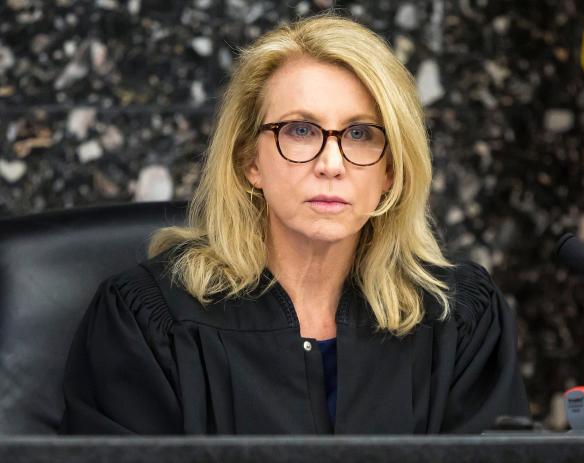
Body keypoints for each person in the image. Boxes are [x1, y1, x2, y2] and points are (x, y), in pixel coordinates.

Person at [60, 12, 529, 435]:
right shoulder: (148, 319)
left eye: (361, 134)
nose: (331, 162)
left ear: (391, 170)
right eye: (300, 131)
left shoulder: (458, 319)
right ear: (250, 160)